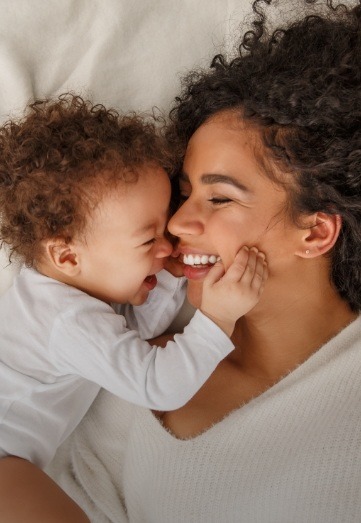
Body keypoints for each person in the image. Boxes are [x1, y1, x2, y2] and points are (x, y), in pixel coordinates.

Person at [42, 1, 360, 522]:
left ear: (316, 230)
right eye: (184, 193)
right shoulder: (140, 362)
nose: (176, 223)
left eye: (220, 198)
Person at [0, 95, 268, 521]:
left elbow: (136, 332)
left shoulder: (75, 292)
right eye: (149, 241)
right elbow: (156, 382)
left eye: (165, 229)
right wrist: (217, 318)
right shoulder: (67, 319)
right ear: (67, 256)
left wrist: (170, 272)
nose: (168, 246)